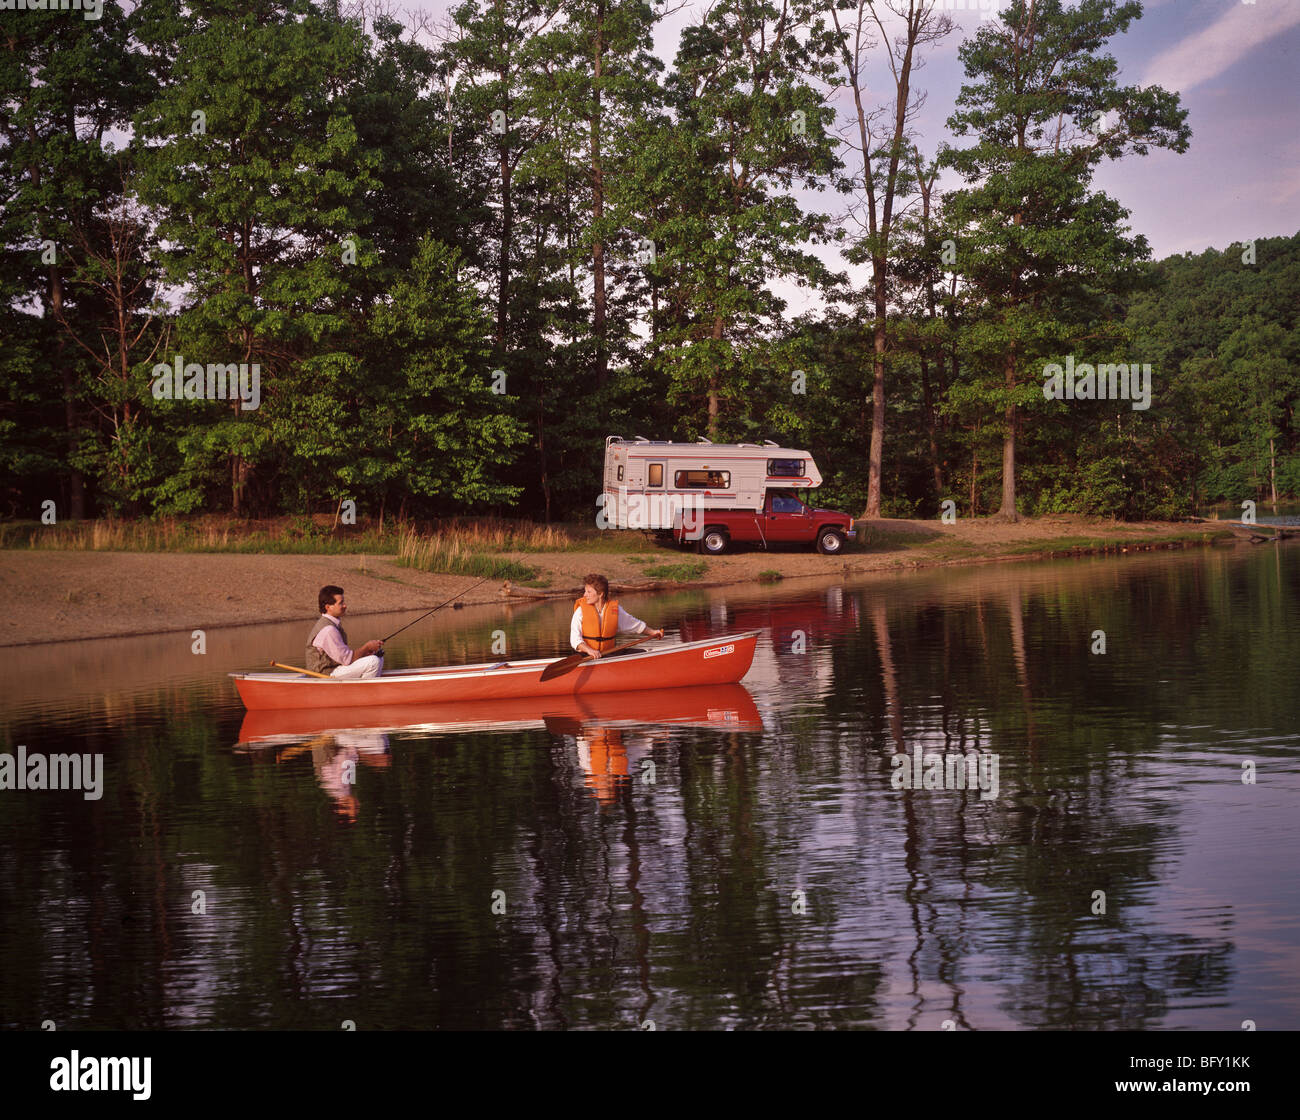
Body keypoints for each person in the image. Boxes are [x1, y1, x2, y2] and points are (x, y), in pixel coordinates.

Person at [570, 573, 664, 658]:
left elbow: (635, 625)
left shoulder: (615, 609)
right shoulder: (580, 611)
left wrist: (653, 632)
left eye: (589, 592)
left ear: (600, 594)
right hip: (586, 655)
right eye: (585, 591)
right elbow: (575, 639)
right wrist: (589, 650)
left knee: (639, 652)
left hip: (607, 653)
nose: (584, 595)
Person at [306, 585, 385, 678]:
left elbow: (344, 657)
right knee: (373, 662)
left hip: (336, 669)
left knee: (378, 658)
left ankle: (363, 688)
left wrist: (365, 653)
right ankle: (365, 691)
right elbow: (347, 659)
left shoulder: (333, 625)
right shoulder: (328, 630)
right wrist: (366, 647)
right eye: (341, 603)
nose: (345, 605)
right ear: (328, 607)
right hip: (323, 675)